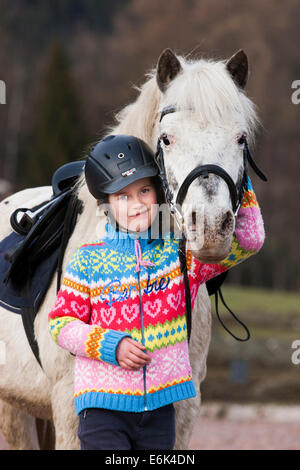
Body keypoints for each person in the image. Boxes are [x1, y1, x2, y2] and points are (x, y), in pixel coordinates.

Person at [48, 134, 265, 450]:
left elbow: (249, 239)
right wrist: (112, 344)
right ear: (105, 206)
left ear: (160, 192)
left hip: (161, 410)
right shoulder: (87, 259)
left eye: (144, 191)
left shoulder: (181, 256)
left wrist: (237, 174)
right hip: (102, 410)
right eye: (122, 196)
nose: (136, 204)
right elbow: (61, 324)